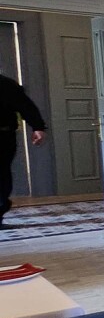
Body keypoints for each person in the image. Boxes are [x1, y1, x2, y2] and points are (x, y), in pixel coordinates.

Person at [1, 74, 47, 228]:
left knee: (2, 176)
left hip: (3, 136)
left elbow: (26, 106)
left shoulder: (6, 84)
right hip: (5, 136)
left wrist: (38, 127)